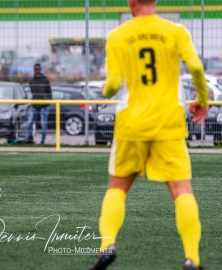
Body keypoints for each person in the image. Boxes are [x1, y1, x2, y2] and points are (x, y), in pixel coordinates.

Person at [88, 1, 209, 270]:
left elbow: (113, 86)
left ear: (131, 2)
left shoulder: (117, 36)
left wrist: (105, 92)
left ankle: (107, 245)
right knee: (182, 191)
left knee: (117, 189)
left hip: (131, 124)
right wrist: (202, 99)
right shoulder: (176, 31)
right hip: (168, 123)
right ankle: (192, 259)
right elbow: (197, 69)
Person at [24, 63, 52, 144]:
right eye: (35, 69)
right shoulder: (32, 81)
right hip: (35, 105)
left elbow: (49, 92)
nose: (37, 70)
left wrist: (47, 101)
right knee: (29, 122)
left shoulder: (45, 80)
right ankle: (27, 139)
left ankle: (42, 141)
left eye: (38, 69)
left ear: (40, 69)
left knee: (44, 124)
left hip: (44, 105)